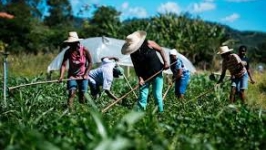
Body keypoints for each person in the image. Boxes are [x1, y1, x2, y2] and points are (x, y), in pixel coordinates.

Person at [121, 30, 169, 112]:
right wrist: (140, 78)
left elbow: (161, 50)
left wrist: (166, 62)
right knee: (142, 96)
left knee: (157, 95)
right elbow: (136, 67)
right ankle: (139, 115)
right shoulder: (133, 53)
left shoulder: (149, 43)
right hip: (144, 76)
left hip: (156, 72)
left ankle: (161, 114)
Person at [58, 31, 93, 108]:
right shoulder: (68, 52)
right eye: (69, 44)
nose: (70, 45)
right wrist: (61, 76)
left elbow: (90, 63)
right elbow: (64, 65)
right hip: (72, 76)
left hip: (83, 76)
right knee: (71, 93)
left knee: (83, 94)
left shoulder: (84, 50)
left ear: (77, 42)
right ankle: (70, 110)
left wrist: (86, 74)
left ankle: (82, 110)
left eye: (71, 43)